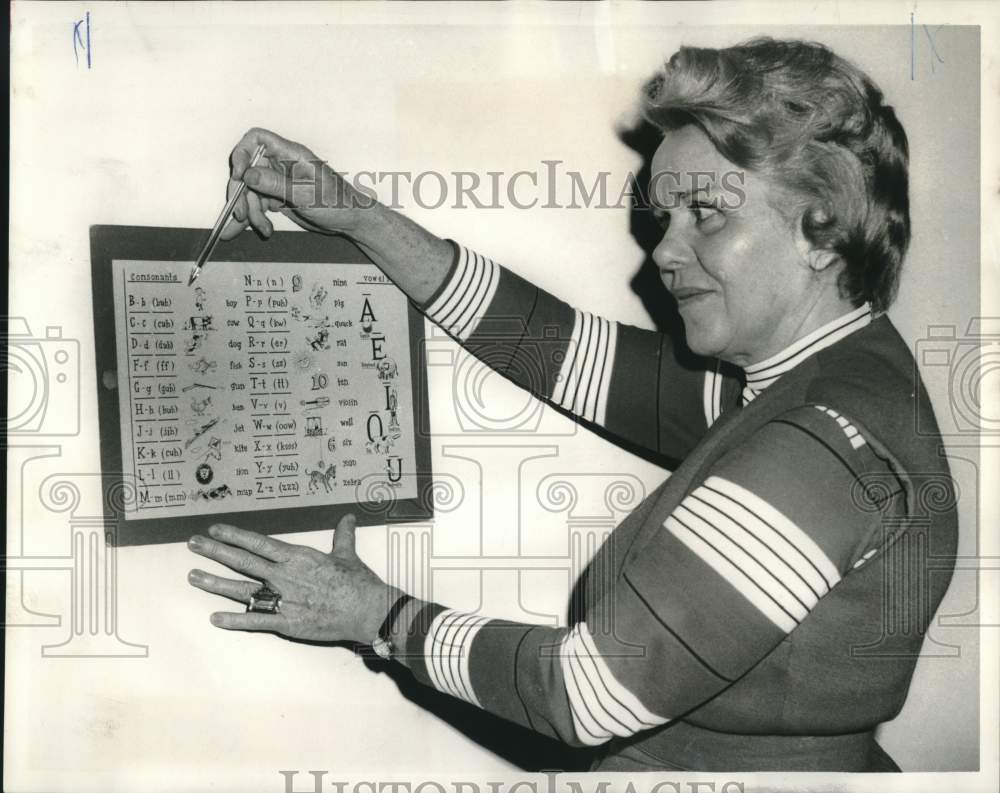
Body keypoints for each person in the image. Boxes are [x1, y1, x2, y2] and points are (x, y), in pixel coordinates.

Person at [186, 37, 957, 772]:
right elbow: (557, 350)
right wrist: (355, 214)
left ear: (822, 229)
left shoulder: (816, 444)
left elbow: (585, 693)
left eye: (706, 213)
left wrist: (371, 615)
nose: (664, 250)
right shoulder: (823, 376)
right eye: (666, 216)